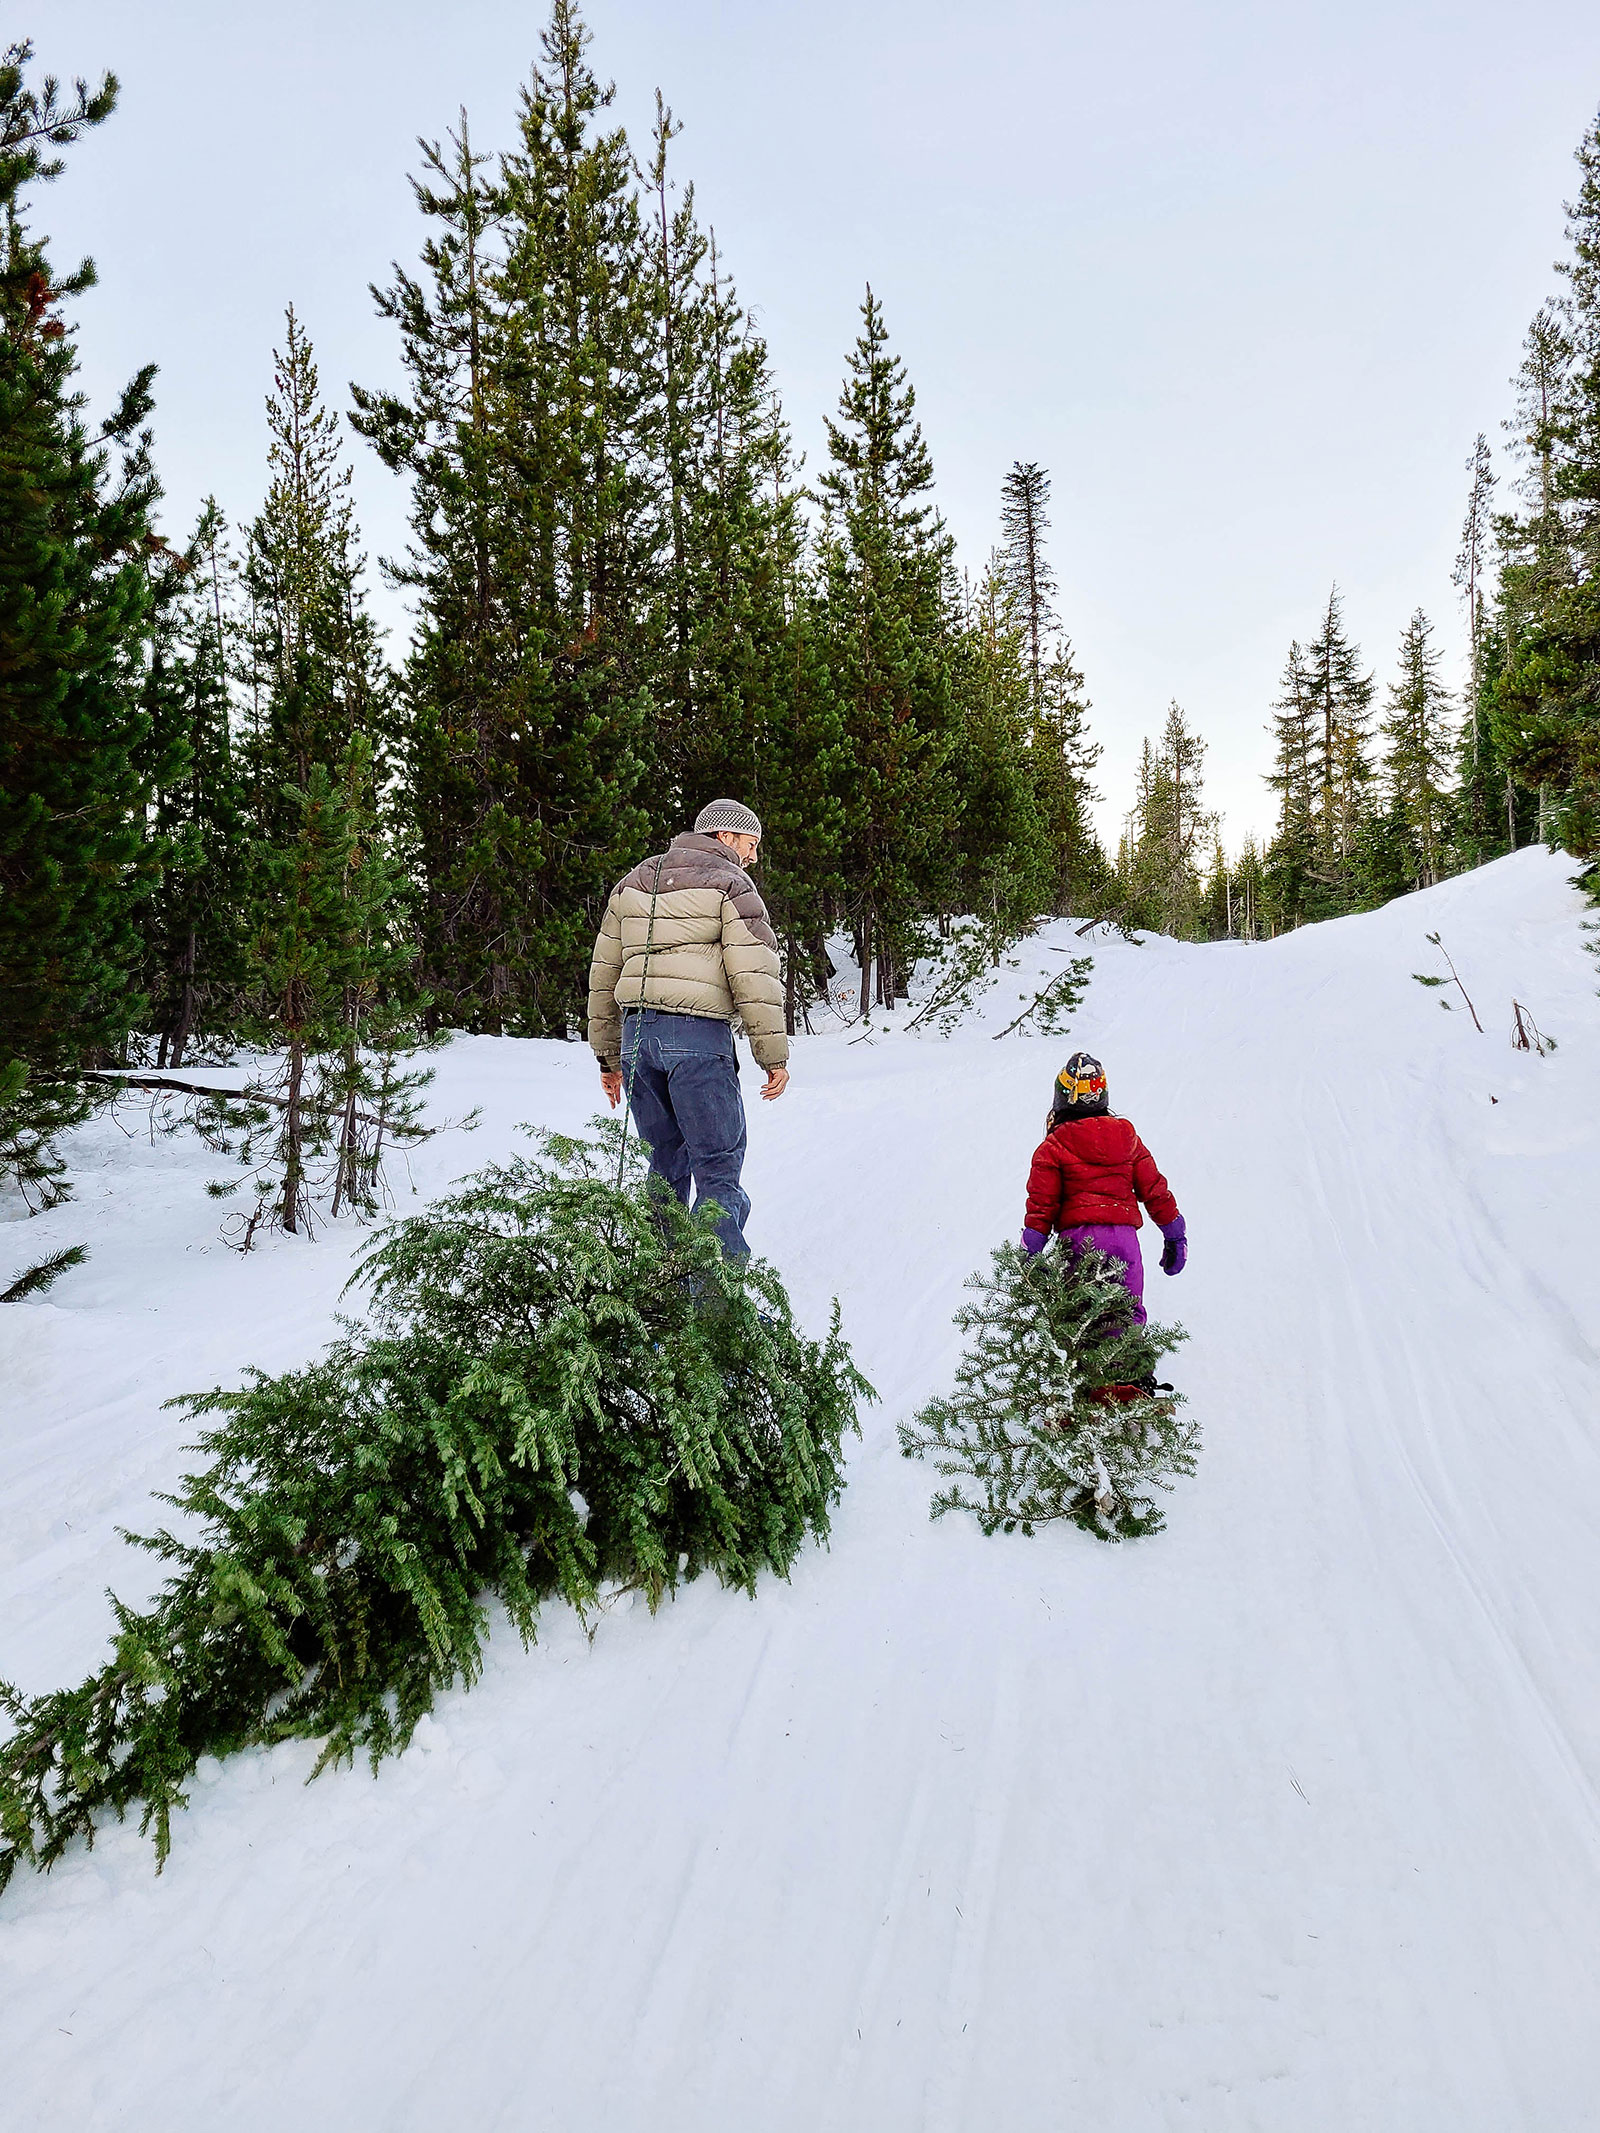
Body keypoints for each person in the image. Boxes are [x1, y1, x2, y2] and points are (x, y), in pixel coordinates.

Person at [587, 799, 789, 1258]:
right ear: (725, 837)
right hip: (697, 1040)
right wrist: (772, 1056)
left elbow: (603, 974)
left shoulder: (633, 882)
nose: (753, 857)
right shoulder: (731, 884)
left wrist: (608, 1057)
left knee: (662, 1169)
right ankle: (717, 1313)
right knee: (717, 1171)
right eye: (750, 844)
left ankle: (663, 1299)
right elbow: (754, 975)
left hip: (637, 1040)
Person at [1019, 1050, 1186, 1325]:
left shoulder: (1052, 1146)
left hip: (1079, 1242)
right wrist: (1175, 1234)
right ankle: (1132, 1365)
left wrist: (1031, 1249)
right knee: (1127, 1315)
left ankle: (1083, 1366)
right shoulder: (1127, 1136)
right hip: (1124, 1241)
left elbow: (1042, 1204)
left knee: (1082, 1321)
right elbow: (1155, 1190)